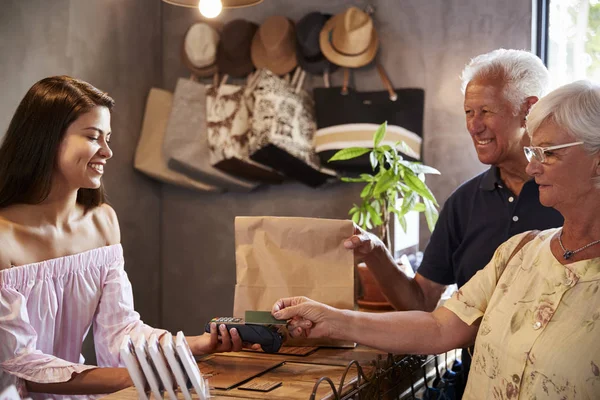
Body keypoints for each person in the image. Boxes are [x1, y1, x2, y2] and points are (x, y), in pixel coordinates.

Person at [273, 80, 600, 398]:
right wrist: (331, 319)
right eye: (533, 151)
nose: (532, 167)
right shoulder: (519, 251)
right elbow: (439, 327)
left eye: (548, 154)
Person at [0, 76, 245, 399]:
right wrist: (140, 375)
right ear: (46, 139)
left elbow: (120, 330)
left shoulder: (103, 222)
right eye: (93, 137)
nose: (107, 151)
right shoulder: (4, 239)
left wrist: (193, 345)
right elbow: (23, 367)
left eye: (108, 138)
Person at [342, 48, 564, 395]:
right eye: (468, 112)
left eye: (486, 111)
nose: (474, 125)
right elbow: (421, 303)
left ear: (529, 110)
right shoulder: (463, 203)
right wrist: (377, 254)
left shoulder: (572, 195)